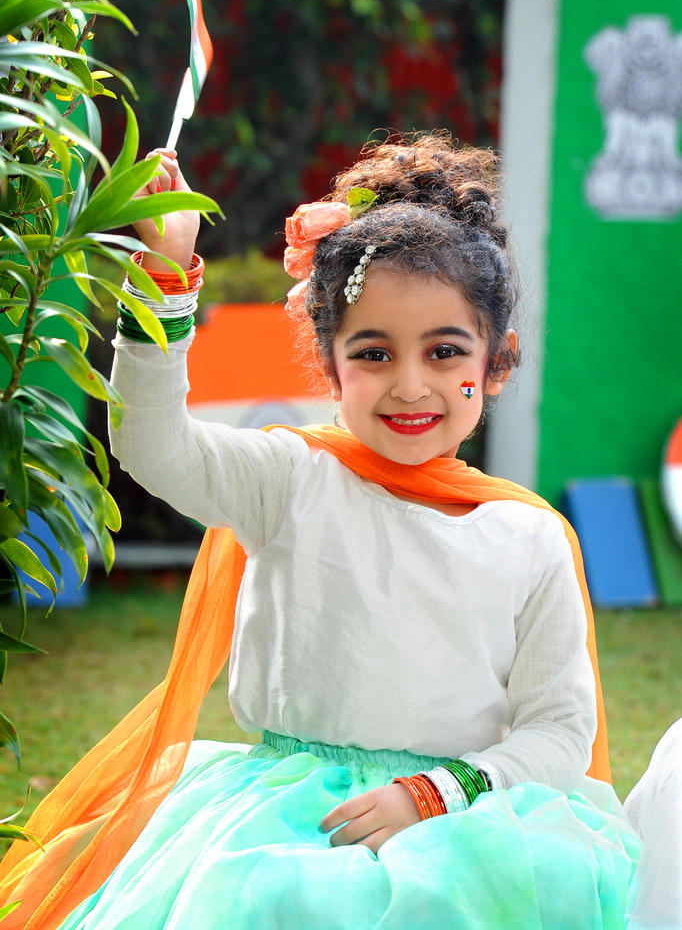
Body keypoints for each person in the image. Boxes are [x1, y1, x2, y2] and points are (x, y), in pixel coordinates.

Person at [0, 134, 647, 929]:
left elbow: (558, 730)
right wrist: (164, 282)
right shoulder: (291, 480)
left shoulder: (529, 536)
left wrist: (439, 793)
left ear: (499, 363)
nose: (412, 384)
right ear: (332, 366)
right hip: (285, 830)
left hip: (457, 831)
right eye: (373, 353)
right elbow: (153, 447)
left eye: (447, 352)